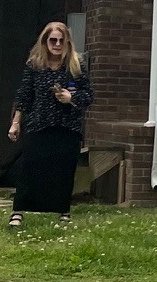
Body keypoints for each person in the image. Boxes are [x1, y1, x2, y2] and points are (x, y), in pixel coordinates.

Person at [7, 20, 93, 228]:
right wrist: (16, 123)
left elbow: (88, 95)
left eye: (61, 41)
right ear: (45, 42)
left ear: (67, 42)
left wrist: (70, 97)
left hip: (67, 126)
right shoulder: (35, 64)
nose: (57, 44)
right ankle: (18, 212)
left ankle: (63, 211)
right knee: (28, 167)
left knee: (63, 170)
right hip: (39, 123)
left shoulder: (76, 65)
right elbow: (24, 95)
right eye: (52, 40)